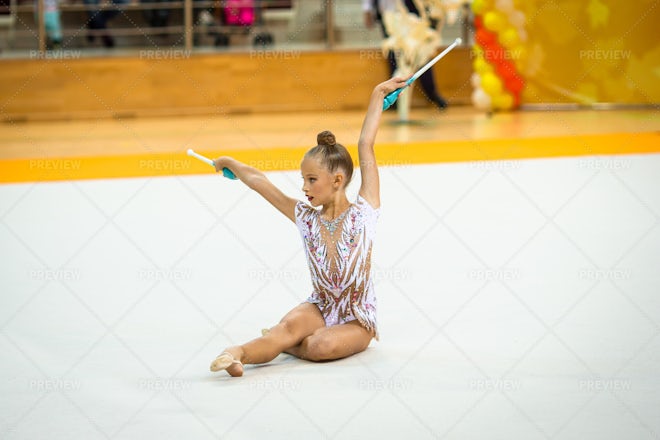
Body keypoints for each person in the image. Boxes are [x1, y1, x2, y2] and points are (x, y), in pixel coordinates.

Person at [209, 76, 408, 377]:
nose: (304, 187)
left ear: (338, 181)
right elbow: (263, 184)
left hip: (357, 318)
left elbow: (365, 143)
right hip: (321, 305)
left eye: (311, 180)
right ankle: (237, 355)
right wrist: (230, 162)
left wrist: (377, 94)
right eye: (304, 179)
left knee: (319, 346)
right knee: (285, 328)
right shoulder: (305, 217)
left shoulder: (364, 213)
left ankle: (288, 345)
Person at [363, 0, 448, 110]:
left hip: (411, 10)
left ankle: (431, 91)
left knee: (420, 53)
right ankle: (394, 99)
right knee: (395, 56)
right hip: (389, 15)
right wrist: (367, 9)